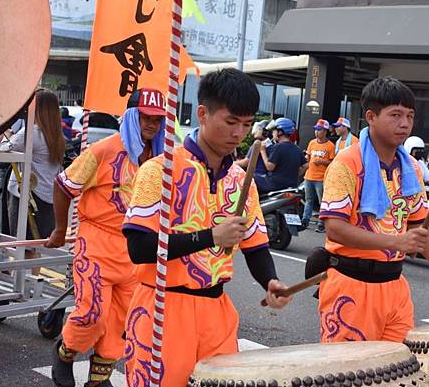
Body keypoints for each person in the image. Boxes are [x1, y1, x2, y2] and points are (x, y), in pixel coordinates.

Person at [122, 68, 292, 387]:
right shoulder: (158, 170)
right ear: (202, 113)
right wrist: (211, 237)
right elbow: (139, 249)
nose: (239, 133)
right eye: (231, 122)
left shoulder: (242, 181)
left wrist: (270, 280)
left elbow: (255, 246)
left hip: (217, 312)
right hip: (162, 307)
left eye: (246, 123)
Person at [318, 76, 429, 343]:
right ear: (371, 116)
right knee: (350, 375)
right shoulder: (347, 163)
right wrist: (396, 241)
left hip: (395, 287)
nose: (405, 123)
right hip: (351, 285)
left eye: (409, 115)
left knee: (397, 373)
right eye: (395, 115)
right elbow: (335, 229)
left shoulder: (412, 168)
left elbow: (419, 226)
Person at [45, 88, 166, 387]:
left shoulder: (165, 160)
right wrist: (60, 229)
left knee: (123, 320)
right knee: (92, 312)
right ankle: (65, 352)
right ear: (131, 117)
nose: (151, 124)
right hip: (97, 241)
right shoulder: (103, 150)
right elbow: (64, 185)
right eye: (145, 118)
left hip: (135, 249)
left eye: (157, 120)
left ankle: (99, 378)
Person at [0, 89, 65, 275]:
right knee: (35, 247)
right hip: (48, 197)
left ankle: (20, 286)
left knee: (23, 246)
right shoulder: (56, 134)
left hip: (28, 197)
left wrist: (8, 133)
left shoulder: (33, 133)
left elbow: (5, 148)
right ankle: (31, 287)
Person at [256, 117, 307, 194]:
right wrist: (293, 175)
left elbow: (270, 167)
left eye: (274, 131)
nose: (273, 133)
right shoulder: (297, 148)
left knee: (252, 177)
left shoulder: (277, 147)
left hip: (274, 184)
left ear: (280, 132)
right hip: (291, 184)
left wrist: (262, 151)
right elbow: (306, 165)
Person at [301, 119, 335, 232]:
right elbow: (308, 158)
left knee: (322, 202)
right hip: (309, 176)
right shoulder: (312, 143)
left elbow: (333, 162)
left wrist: (322, 162)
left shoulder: (330, 146)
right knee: (308, 200)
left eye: (319, 130)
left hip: (321, 178)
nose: (316, 132)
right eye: (316, 129)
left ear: (325, 131)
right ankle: (305, 220)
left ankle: (321, 223)